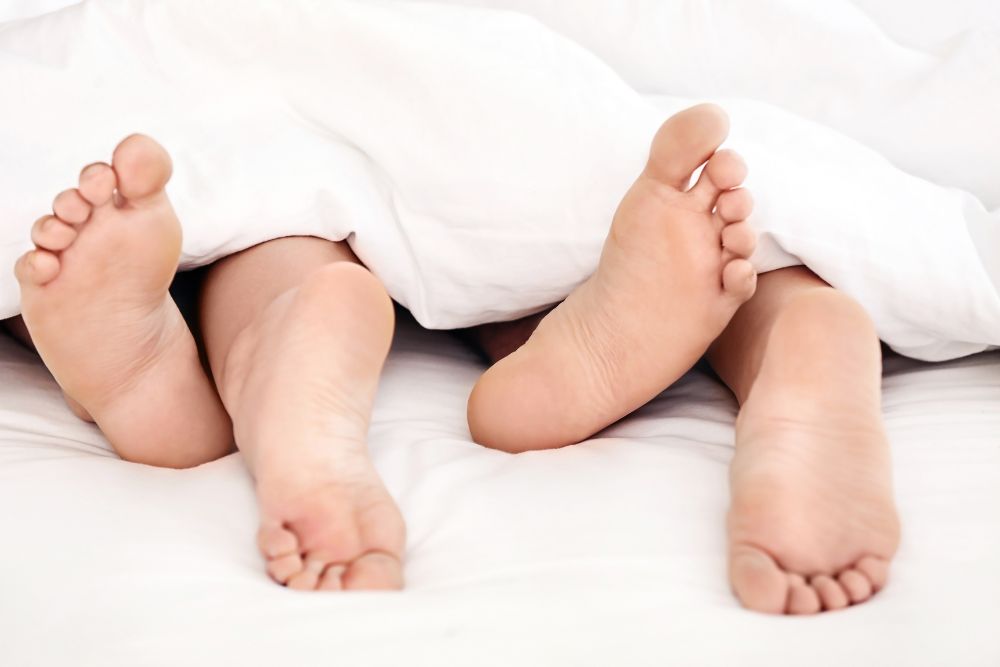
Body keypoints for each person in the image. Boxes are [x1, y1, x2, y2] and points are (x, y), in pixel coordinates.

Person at [3, 104, 898, 614]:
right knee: (577, 231)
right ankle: (792, 328)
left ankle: (282, 333)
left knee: (279, 214)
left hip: (293, 77)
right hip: (521, 104)